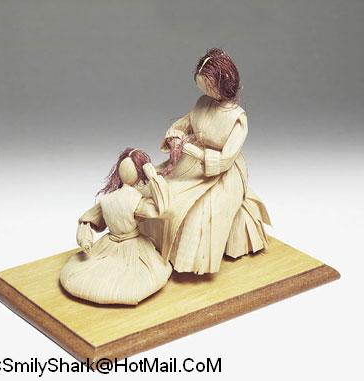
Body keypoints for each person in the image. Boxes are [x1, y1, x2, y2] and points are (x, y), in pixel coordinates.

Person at [141, 48, 271, 275]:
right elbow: (183, 124)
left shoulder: (237, 118)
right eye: (202, 86)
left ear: (224, 83)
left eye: (209, 87)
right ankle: (148, 245)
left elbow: (225, 160)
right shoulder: (203, 102)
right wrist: (175, 136)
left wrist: (191, 149)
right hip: (190, 163)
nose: (205, 92)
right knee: (158, 191)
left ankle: (188, 261)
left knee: (195, 212)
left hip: (222, 173)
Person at [60, 148, 172, 305]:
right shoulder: (136, 200)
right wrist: (154, 178)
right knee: (140, 277)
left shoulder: (107, 199)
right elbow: (163, 209)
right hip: (133, 245)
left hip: (108, 243)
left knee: (94, 272)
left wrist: (85, 239)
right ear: (139, 174)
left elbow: (87, 220)